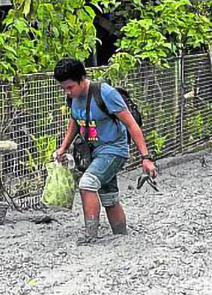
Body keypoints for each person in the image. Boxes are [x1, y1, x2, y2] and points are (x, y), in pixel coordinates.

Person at [52, 58, 157, 243]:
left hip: (114, 150)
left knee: (87, 184)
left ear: (82, 79)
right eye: (64, 88)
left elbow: (132, 125)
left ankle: (90, 237)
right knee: (109, 198)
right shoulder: (73, 98)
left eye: (70, 87)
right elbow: (74, 121)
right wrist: (63, 148)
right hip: (94, 153)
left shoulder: (105, 93)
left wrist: (145, 157)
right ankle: (121, 237)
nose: (67, 92)